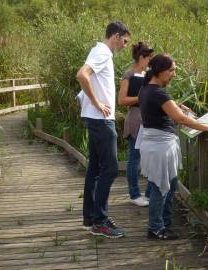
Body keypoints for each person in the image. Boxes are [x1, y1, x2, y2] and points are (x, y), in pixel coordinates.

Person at [138, 54, 208, 240]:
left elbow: (167, 109)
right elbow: (179, 118)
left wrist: (178, 106)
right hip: (160, 147)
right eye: (171, 70)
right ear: (159, 71)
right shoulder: (158, 92)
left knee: (168, 185)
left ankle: (163, 221)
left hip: (155, 144)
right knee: (159, 187)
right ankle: (155, 228)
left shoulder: (146, 89)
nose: (174, 74)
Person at [76, 21, 130, 238]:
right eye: (124, 40)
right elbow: (82, 75)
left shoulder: (98, 51)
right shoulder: (103, 53)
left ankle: (90, 219)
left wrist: (95, 104)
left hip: (95, 118)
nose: (125, 45)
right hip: (100, 120)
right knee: (110, 168)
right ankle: (100, 220)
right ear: (116, 36)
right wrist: (98, 103)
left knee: (95, 169)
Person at [118, 42, 154, 207]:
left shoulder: (149, 74)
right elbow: (122, 100)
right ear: (141, 58)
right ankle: (134, 194)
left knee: (149, 159)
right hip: (135, 118)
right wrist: (142, 98)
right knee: (134, 157)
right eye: (148, 58)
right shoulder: (129, 75)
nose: (150, 61)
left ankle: (147, 194)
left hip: (149, 119)